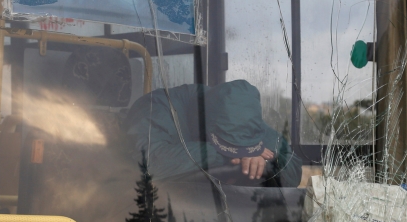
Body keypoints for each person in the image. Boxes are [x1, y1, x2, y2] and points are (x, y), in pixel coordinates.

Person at [125, 80, 302, 187]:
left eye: (246, 147)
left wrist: (268, 160)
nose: (242, 153)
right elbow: (147, 162)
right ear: (204, 121)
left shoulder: (241, 113)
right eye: (229, 145)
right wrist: (230, 156)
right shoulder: (154, 108)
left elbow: (293, 167)